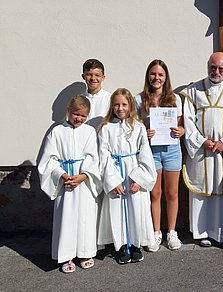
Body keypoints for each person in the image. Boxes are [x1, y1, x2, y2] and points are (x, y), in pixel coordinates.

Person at [180, 52, 223, 247]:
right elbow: (188, 121)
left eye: (221, 68)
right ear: (207, 65)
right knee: (202, 191)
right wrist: (201, 141)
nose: (216, 71)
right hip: (202, 152)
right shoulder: (193, 91)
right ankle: (202, 233)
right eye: (213, 67)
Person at [38, 95, 102, 273]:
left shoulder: (89, 132)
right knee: (66, 218)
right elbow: (48, 159)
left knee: (85, 217)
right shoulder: (57, 131)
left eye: (83, 116)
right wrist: (62, 174)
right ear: (69, 111)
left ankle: (85, 252)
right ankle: (66, 256)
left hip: (83, 182)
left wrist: (83, 176)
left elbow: (93, 156)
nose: (79, 119)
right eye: (76, 114)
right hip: (65, 182)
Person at [97, 88, 158, 264]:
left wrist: (140, 179)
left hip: (134, 173)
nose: (120, 108)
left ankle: (136, 244)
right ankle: (122, 245)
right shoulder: (105, 128)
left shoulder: (138, 127)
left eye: (124, 104)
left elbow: (145, 154)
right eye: (116, 104)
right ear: (111, 106)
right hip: (116, 173)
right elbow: (104, 156)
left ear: (130, 105)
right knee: (117, 210)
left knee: (137, 209)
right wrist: (113, 180)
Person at [135, 59, 184, 251]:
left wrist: (181, 130)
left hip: (172, 149)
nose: (157, 78)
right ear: (148, 76)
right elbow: (135, 126)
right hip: (151, 151)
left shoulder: (175, 98)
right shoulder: (139, 99)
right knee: (155, 193)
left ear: (166, 77)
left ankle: (172, 232)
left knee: (172, 193)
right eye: (153, 74)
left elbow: (180, 125)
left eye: (160, 74)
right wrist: (144, 132)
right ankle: (155, 232)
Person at [81, 59, 112, 129]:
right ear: (83, 76)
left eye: (97, 75)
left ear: (103, 77)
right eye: (89, 74)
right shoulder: (79, 99)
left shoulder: (110, 99)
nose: (93, 78)